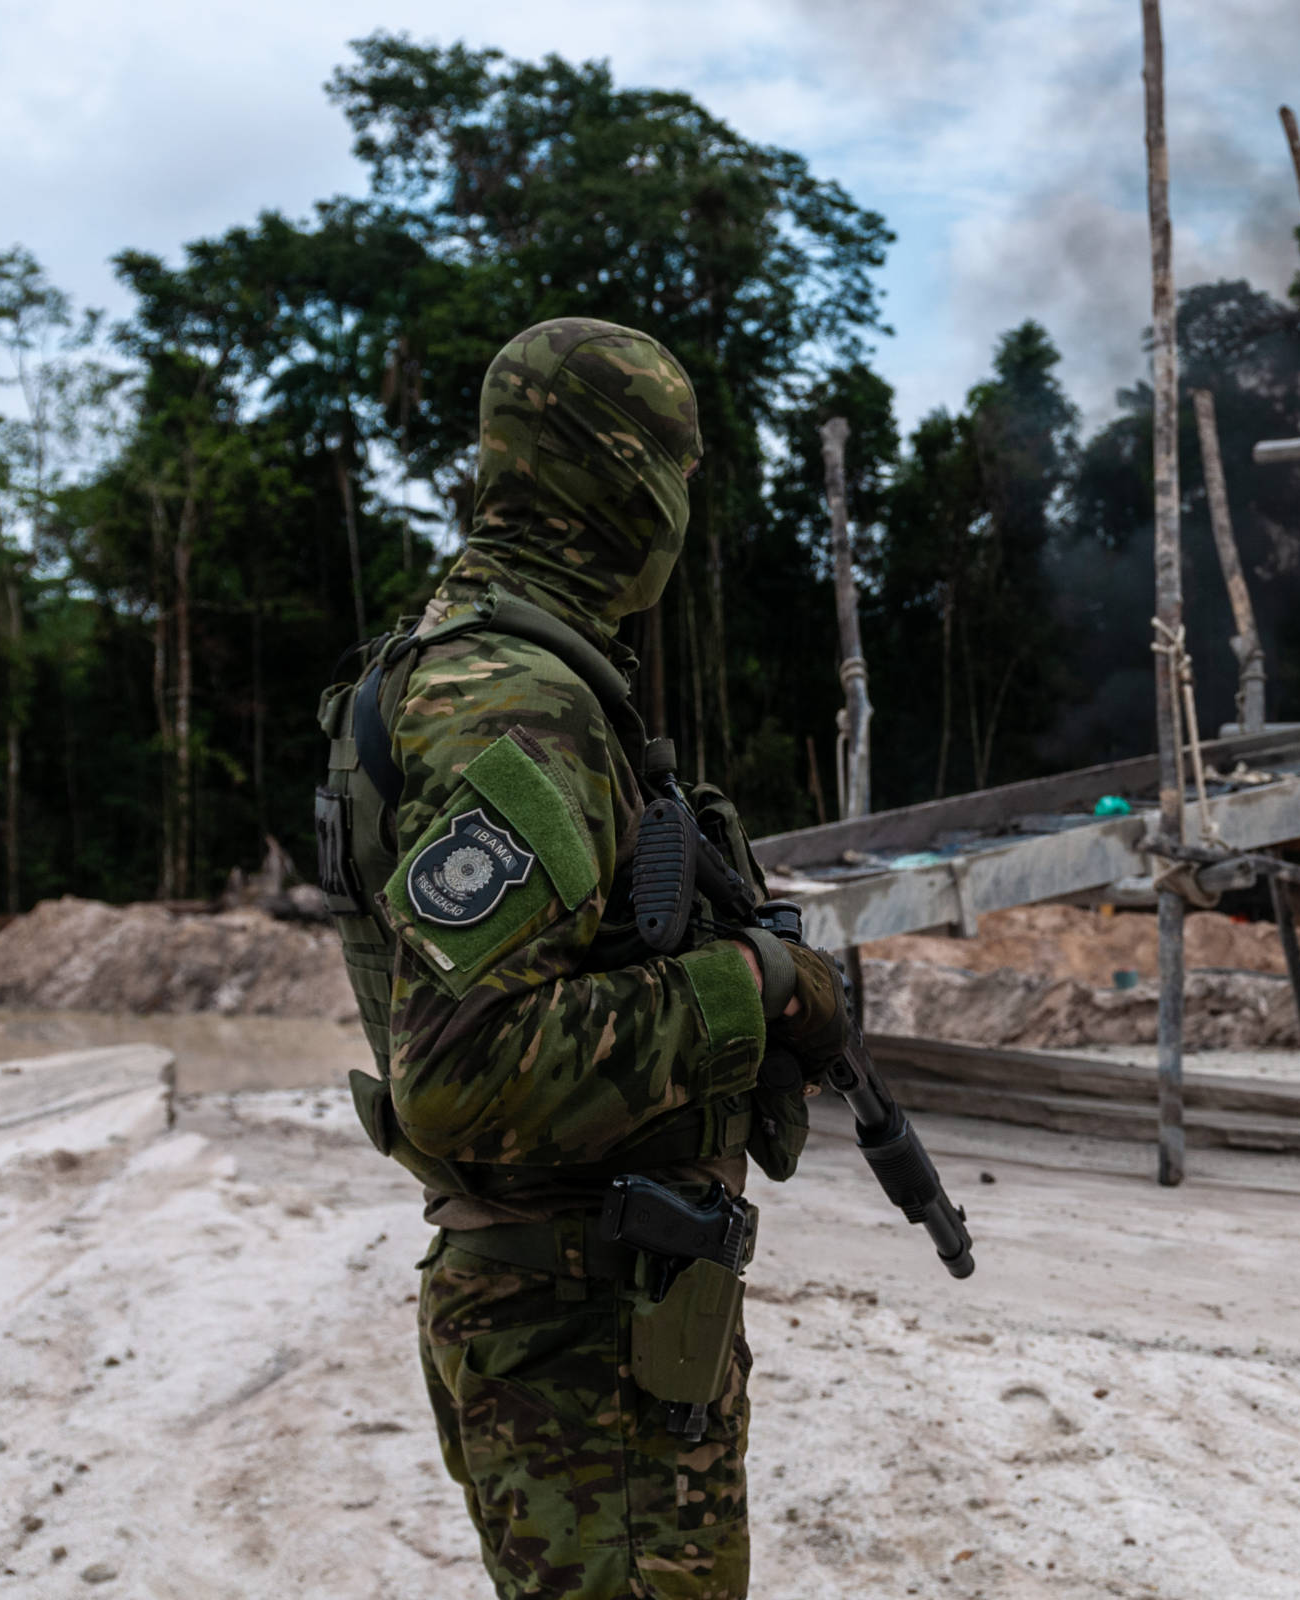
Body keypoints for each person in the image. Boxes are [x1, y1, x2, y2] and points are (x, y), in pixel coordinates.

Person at [314, 316, 848, 1599]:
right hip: (584, 1325)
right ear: (623, 479)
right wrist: (758, 988)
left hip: (584, 1309)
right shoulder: (520, 702)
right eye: (675, 472)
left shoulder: (469, 664)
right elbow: (464, 1064)